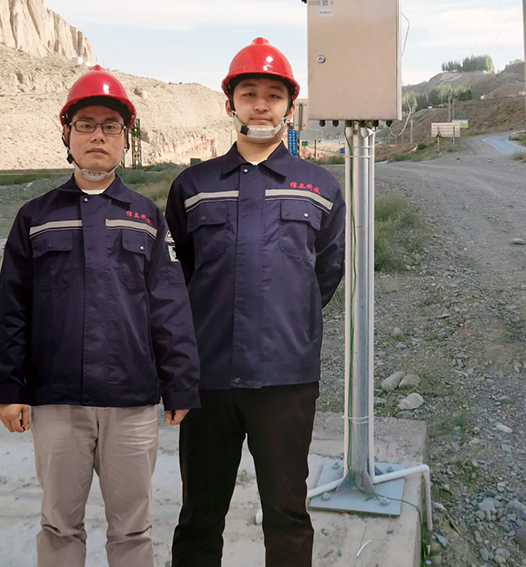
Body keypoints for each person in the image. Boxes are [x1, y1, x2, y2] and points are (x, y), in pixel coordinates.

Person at [0, 65, 200, 567]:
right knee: (58, 526)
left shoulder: (146, 216)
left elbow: (169, 305)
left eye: (110, 126)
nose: (97, 136)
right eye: (86, 125)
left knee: (132, 529)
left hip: (131, 402)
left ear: (125, 139)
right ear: (66, 134)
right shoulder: (35, 217)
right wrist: (9, 388)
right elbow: (11, 308)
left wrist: (180, 383)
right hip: (56, 399)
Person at [167, 37, 345, 567]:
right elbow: (178, 277)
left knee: (287, 514)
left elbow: (326, 273)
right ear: (231, 103)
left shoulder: (319, 186)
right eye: (249, 93)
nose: (261, 105)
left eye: (273, 95)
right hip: (209, 379)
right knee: (200, 515)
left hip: (286, 380)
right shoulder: (193, 186)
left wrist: (286, 321)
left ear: (290, 106)